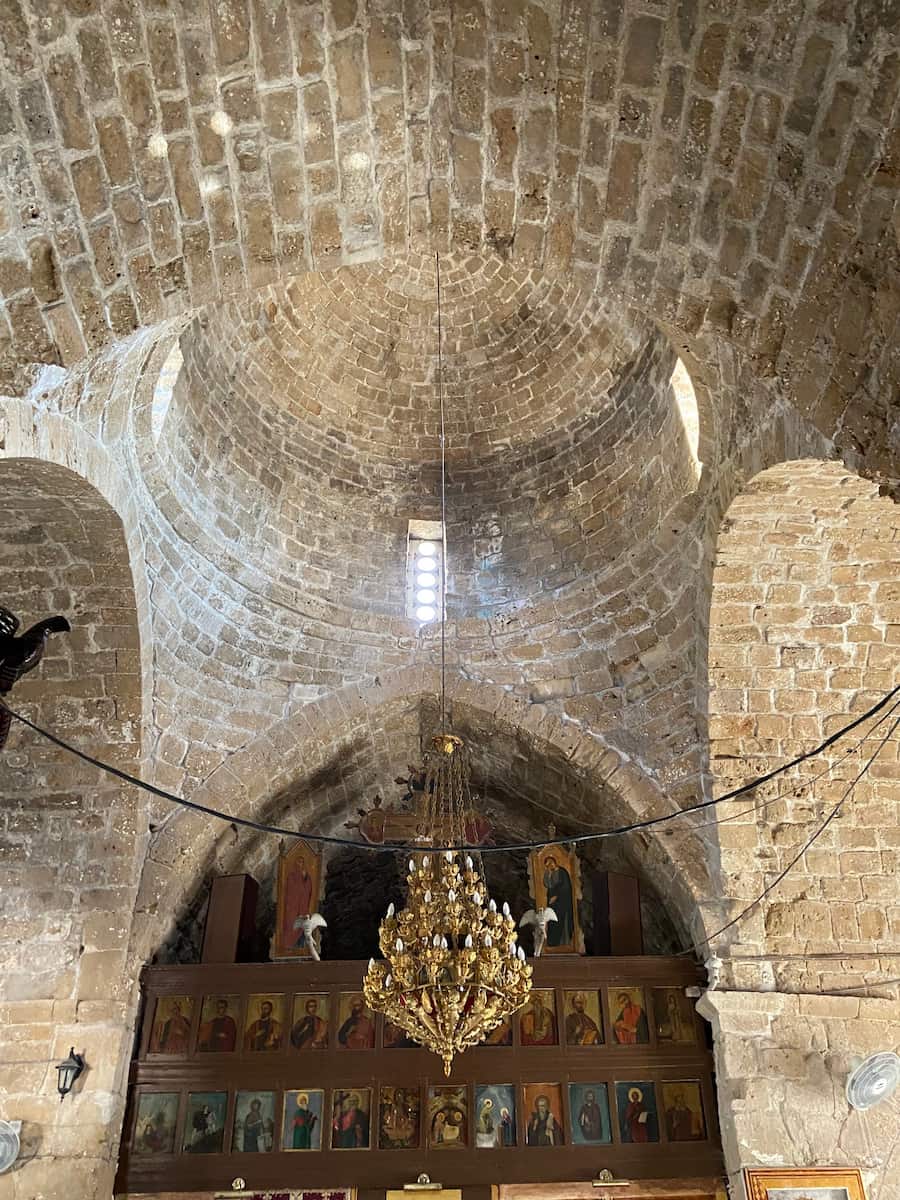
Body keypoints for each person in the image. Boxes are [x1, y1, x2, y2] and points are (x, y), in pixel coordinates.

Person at [543, 854, 574, 947]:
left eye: (551, 863)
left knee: (562, 922)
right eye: (547, 865)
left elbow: (566, 887)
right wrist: (548, 874)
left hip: (562, 902)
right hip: (553, 904)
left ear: (554, 862)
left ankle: (564, 943)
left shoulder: (562, 872)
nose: (550, 865)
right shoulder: (550, 873)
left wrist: (556, 896)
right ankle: (553, 943)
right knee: (553, 922)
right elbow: (547, 885)